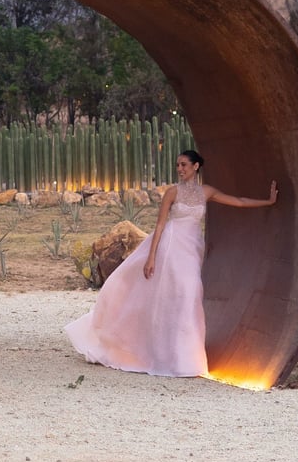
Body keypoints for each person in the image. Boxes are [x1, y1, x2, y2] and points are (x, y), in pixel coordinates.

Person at [64, 150, 277, 378]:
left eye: (184, 165)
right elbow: (160, 226)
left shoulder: (207, 192)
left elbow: (239, 202)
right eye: (177, 165)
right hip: (171, 247)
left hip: (192, 249)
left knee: (191, 293)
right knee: (182, 292)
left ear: (196, 167)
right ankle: (176, 358)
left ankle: (186, 360)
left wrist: (269, 201)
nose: (180, 169)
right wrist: (151, 257)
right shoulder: (172, 193)